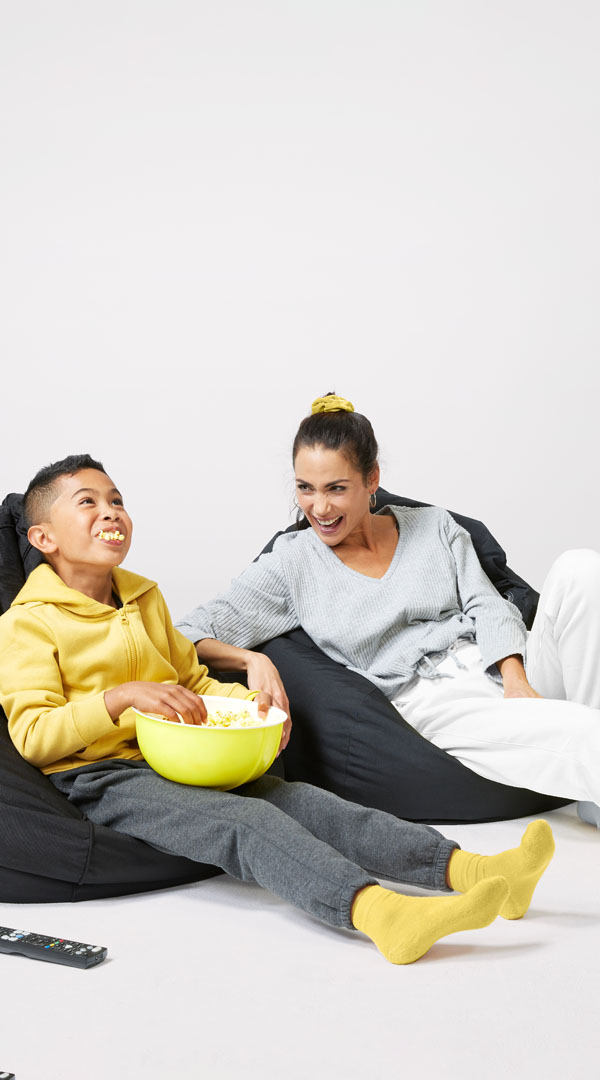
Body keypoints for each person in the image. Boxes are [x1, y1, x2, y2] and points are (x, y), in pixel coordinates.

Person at [0, 454, 555, 965]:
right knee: (247, 822)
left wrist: (252, 706)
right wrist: (118, 699)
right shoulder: (29, 622)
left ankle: (476, 870)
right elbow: (33, 734)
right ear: (43, 536)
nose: (109, 512)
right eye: (88, 502)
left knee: (309, 803)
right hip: (103, 776)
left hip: (175, 752)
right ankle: (382, 914)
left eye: (116, 499)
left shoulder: (143, 597)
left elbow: (192, 680)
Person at [176, 393, 600, 828]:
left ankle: (590, 791)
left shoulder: (435, 526)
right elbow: (185, 632)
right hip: (436, 699)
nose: (318, 509)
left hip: (503, 665)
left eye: (336, 488)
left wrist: (516, 680)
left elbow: (487, 603)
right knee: (588, 734)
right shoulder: (292, 563)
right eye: (305, 488)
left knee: (581, 568)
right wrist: (253, 659)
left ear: (371, 479)